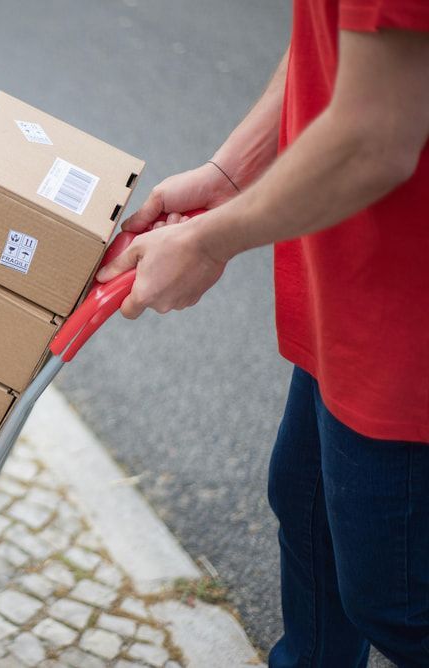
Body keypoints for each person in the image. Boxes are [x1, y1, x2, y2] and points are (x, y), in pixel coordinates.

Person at [95, 1, 429, 666]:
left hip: (407, 319)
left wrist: (210, 242)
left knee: (394, 598)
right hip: (354, 284)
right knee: (308, 510)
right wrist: (228, 173)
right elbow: (326, 39)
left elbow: (377, 137)